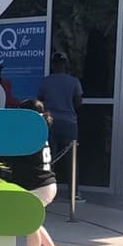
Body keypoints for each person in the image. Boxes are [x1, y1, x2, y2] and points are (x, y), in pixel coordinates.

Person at [5, 99, 67, 246]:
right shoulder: (39, 133)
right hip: (46, 184)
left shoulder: (29, 136)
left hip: (38, 186)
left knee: (30, 223)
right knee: (33, 222)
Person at [38, 52, 84, 193]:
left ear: (53, 65)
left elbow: (39, 100)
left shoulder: (45, 81)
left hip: (50, 122)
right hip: (69, 123)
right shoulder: (74, 81)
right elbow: (78, 102)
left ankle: (48, 191)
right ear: (66, 65)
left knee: (49, 158)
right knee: (71, 160)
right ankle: (74, 193)